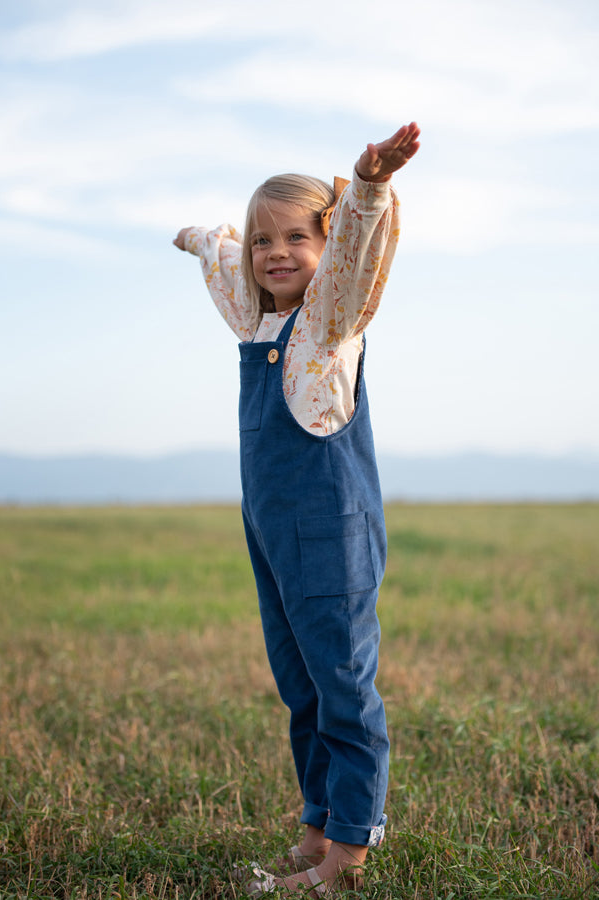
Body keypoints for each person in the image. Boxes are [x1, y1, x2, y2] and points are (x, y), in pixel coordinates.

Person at [173, 122, 420, 897]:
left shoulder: (328, 321)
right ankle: (316, 824)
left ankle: (348, 848)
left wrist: (368, 187)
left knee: (343, 686)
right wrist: (203, 239)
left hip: (329, 535)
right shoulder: (257, 323)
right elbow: (224, 264)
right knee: (301, 686)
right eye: (261, 242)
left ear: (325, 244)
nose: (275, 253)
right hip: (274, 537)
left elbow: (350, 256)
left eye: (295, 239)